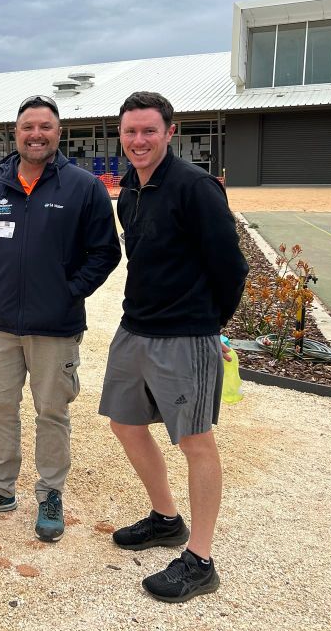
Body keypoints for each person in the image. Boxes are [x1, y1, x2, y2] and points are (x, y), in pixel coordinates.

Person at [0, 94, 121, 542]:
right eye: (28, 127)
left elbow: (106, 251)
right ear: (16, 133)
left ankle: (49, 493)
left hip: (56, 327)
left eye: (45, 126)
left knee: (52, 411)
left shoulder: (83, 187)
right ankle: (0, 488)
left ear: (58, 132)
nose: (36, 134)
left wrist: (69, 291)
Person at [99, 91, 248, 603]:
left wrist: (212, 328)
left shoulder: (197, 188)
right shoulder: (130, 192)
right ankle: (166, 518)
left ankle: (201, 561)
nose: (138, 140)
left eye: (149, 131)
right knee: (124, 423)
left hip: (186, 336)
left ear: (169, 132)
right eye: (130, 131)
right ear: (121, 134)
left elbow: (232, 269)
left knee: (195, 442)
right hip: (134, 328)